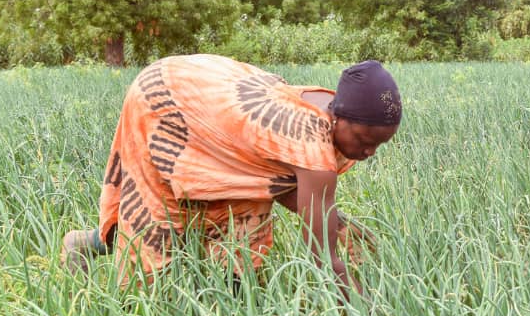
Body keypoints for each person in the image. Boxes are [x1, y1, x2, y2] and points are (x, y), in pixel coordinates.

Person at [61, 54, 402, 296]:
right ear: (339, 118)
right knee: (162, 224)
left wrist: (332, 221)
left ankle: (235, 305)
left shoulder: (330, 115)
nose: (369, 152)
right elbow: (324, 259)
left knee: (241, 220)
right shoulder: (309, 140)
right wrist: (366, 315)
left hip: (215, 103)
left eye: (379, 145)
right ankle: (86, 247)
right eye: (365, 140)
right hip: (169, 101)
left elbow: (277, 182)